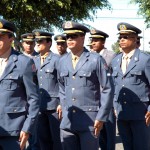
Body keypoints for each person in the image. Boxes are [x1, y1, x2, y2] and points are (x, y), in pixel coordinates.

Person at [57, 21, 114, 150]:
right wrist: (65, 107)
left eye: (73, 36)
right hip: (68, 121)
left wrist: (101, 117)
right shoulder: (62, 61)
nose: (69, 39)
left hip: (90, 120)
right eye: (67, 37)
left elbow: (107, 88)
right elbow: (61, 87)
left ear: (82, 38)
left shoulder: (95, 59)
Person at [0, 18, 39, 150]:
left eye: (1, 36)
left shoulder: (24, 62)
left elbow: (33, 99)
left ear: (11, 39)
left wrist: (27, 128)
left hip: (13, 131)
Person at [111, 22, 150, 150]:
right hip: (122, 114)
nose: (121, 40)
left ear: (134, 39)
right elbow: (114, 85)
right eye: (120, 37)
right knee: (127, 147)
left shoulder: (145, 59)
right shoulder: (116, 60)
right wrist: (115, 105)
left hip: (141, 115)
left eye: (125, 37)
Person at [32, 30, 62, 150]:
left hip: (54, 106)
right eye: (36, 41)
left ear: (49, 43)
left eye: (40, 41)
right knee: (42, 139)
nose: (37, 44)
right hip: (39, 106)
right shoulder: (34, 60)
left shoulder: (57, 59)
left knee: (57, 139)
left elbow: (63, 83)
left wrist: (61, 103)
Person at [90, 28, 116, 150]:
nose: (93, 43)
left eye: (96, 40)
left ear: (103, 42)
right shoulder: (89, 56)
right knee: (98, 134)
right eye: (92, 40)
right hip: (94, 101)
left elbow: (115, 80)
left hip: (107, 101)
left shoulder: (111, 56)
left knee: (109, 133)